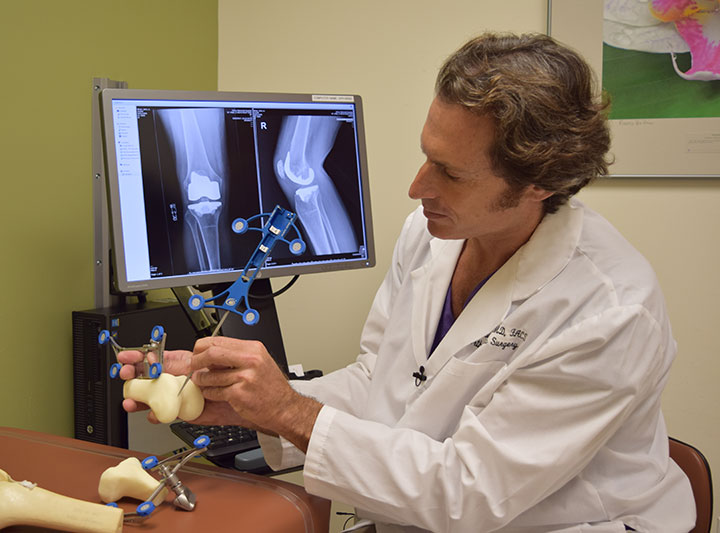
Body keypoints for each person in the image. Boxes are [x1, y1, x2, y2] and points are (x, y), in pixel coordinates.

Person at [118, 32, 695, 532]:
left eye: (450, 172)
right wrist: (250, 407)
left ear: (539, 183)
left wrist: (290, 412)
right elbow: (383, 381)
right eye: (426, 156)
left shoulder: (609, 312)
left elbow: (471, 492)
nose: (417, 189)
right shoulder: (433, 234)